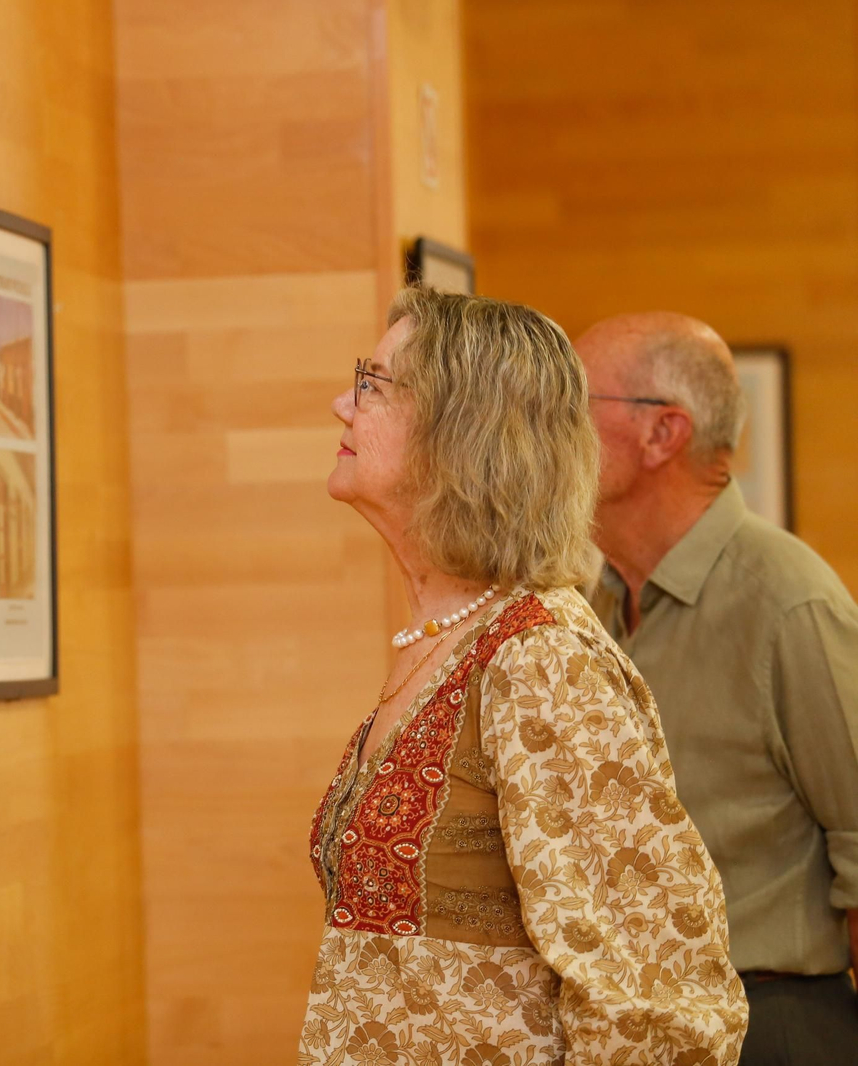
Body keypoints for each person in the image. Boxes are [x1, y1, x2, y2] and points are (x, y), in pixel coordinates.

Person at [299, 288, 746, 1065]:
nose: (344, 404)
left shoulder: (541, 658)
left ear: (461, 431)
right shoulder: (449, 636)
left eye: (373, 383)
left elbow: (650, 997)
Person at [577, 312, 858, 1064]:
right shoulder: (593, 600)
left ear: (662, 434)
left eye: (574, 401)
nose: (549, 428)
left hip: (775, 1027)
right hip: (644, 1027)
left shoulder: (789, 601)